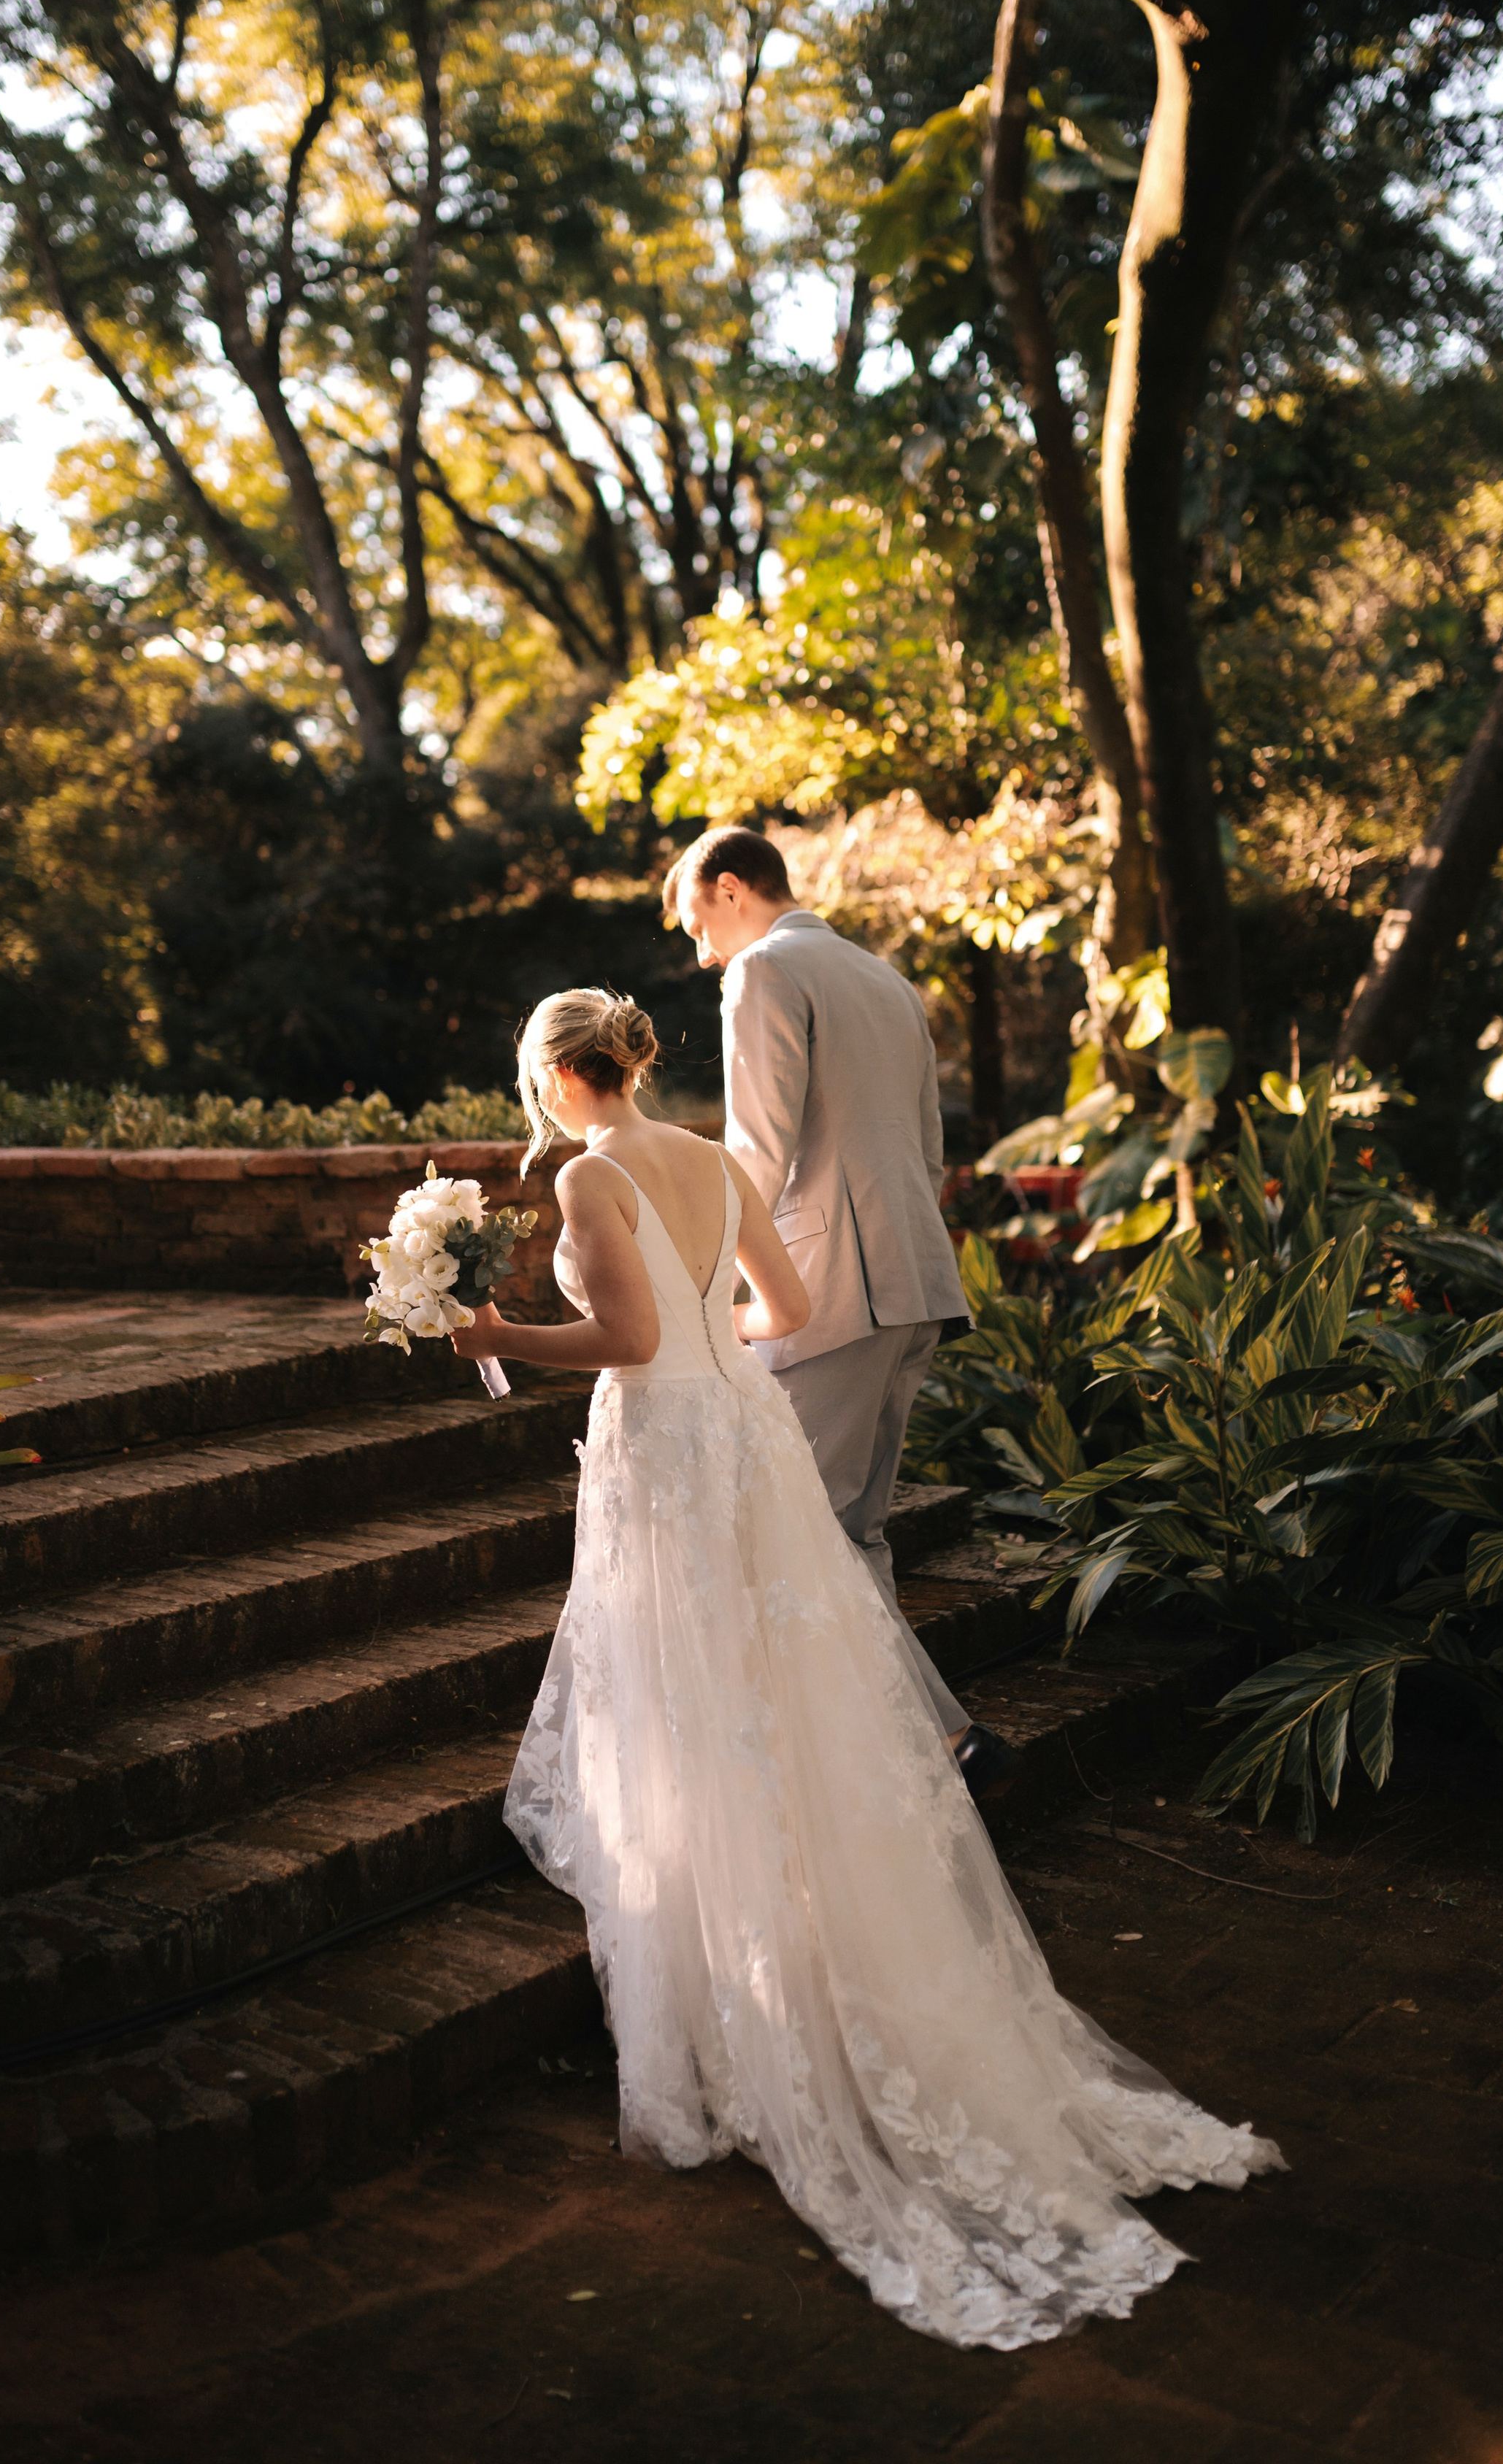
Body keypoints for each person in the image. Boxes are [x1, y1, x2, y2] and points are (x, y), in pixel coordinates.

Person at [453, 990, 1281, 2354]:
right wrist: (731, 1396)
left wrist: (498, 1343)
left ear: (555, 1072)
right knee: (776, 1694)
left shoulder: (596, 1176)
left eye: (531, 1076)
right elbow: (780, 1303)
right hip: (747, 1443)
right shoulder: (717, 1161)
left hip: (667, 1454)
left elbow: (626, 1344)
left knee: (691, 1704)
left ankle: (742, 2007)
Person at [662, 825, 1015, 1796]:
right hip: (915, 1286)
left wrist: (721, 1284)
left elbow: (758, 1151)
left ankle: (948, 1745)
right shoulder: (885, 981)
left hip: (825, 1295)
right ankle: (898, 1759)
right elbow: (932, 1151)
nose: (703, 954)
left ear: (730, 889)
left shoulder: (765, 974)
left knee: (794, 1535)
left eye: (699, 924)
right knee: (849, 1535)